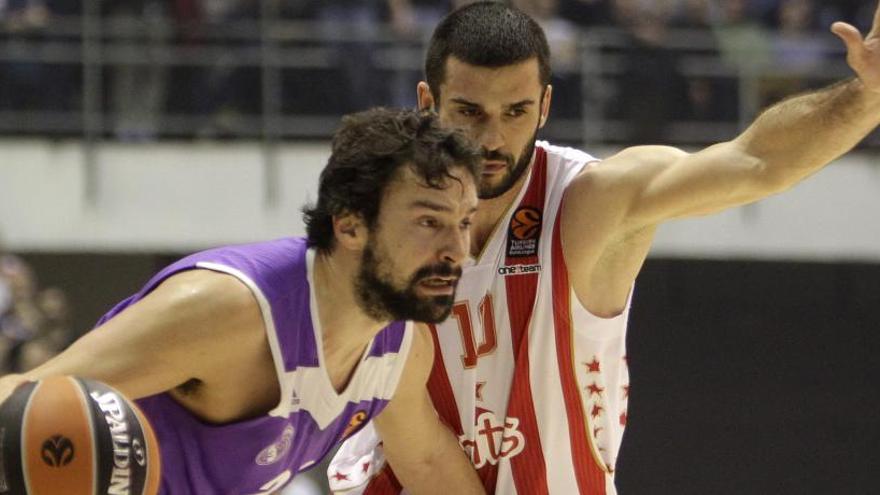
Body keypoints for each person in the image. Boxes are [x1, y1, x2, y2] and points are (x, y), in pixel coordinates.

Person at [330, 2, 880, 493]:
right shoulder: (381, 216)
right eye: (470, 112)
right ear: (429, 101)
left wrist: (867, 96)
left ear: (545, 105)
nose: (492, 140)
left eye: (515, 112)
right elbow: (420, 451)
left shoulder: (590, 200)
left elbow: (756, 162)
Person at [0, 108, 486, 495]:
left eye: (464, 223)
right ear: (350, 225)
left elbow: (426, 463)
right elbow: (22, 395)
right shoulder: (227, 309)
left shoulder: (399, 348)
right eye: (429, 222)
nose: (457, 250)